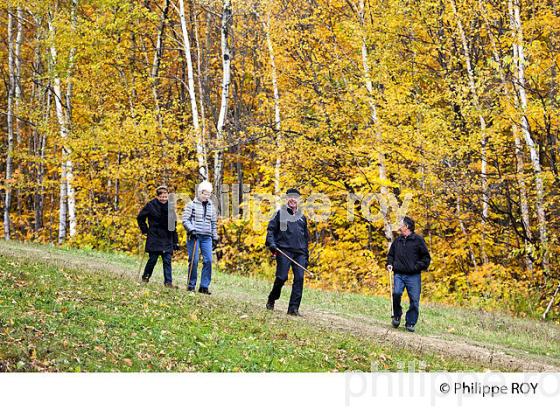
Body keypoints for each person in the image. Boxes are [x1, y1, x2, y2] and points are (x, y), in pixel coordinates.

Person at [265, 188, 310, 316]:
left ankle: (293, 309)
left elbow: (305, 238)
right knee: (281, 277)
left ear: (299, 200)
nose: (293, 199)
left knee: (300, 278)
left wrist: (306, 256)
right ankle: (272, 298)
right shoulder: (280, 214)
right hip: (284, 250)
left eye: (295, 197)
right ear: (286, 199)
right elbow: (271, 231)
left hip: (299, 253)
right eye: (290, 196)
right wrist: (272, 244)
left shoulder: (302, 218)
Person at [387, 216, 431, 332]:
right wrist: (389, 263)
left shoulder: (418, 240)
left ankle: (410, 323)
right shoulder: (398, 241)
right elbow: (390, 255)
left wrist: (416, 267)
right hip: (399, 274)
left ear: (406, 227)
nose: (399, 226)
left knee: (414, 300)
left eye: (400, 224)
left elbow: (426, 258)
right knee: (396, 294)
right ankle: (396, 315)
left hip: (413, 276)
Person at [137, 185, 180, 288]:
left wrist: (175, 241)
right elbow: (140, 218)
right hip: (154, 236)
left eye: (166, 197)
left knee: (167, 260)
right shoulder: (150, 205)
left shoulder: (170, 207)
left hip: (167, 237)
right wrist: (145, 230)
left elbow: (173, 225)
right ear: (157, 196)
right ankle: (145, 277)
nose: (164, 199)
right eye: (162, 197)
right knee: (153, 259)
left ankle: (168, 283)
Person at [182, 181, 219, 294]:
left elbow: (213, 223)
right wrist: (191, 229)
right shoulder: (191, 205)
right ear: (199, 193)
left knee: (208, 260)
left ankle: (204, 286)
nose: (206, 196)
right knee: (194, 260)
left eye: (209, 194)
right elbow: (185, 220)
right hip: (194, 236)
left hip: (207, 237)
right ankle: (191, 285)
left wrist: (215, 237)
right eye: (205, 194)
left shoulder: (211, 207)